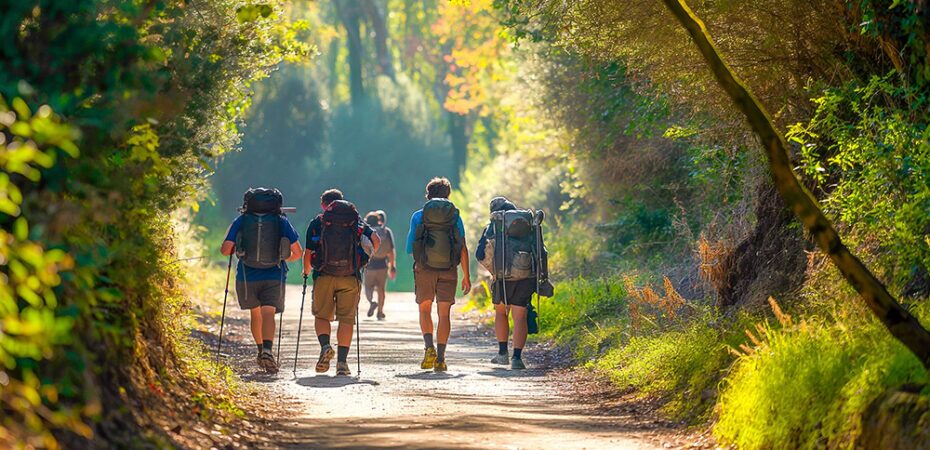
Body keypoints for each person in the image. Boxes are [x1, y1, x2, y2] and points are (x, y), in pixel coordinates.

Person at [220, 188, 302, 374]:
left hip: (247, 276)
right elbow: (297, 253)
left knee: (255, 315)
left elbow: (225, 250)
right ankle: (267, 350)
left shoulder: (241, 220)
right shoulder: (281, 221)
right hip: (274, 274)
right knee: (268, 314)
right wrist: (281, 258)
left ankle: (260, 351)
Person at [303, 189, 380, 376]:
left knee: (322, 316)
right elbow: (376, 240)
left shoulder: (318, 223)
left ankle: (325, 346)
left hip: (324, 275)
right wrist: (364, 259)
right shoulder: (356, 222)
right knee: (346, 319)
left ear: (324, 205)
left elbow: (308, 253)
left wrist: (306, 273)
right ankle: (342, 364)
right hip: (350, 276)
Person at [406, 177, 471, 372]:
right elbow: (463, 248)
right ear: (448, 195)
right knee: (444, 314)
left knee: (424, 309)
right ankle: (441, 358)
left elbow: (410, 247)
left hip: (424, 268)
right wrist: (466, 276)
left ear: (428, 195)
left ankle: (429, 348)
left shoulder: (419, 216)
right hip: (449, 269)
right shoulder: (455, 217)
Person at [476, 196, 545, 370]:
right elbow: (541, 250)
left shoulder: (493, 227)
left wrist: (492, 270)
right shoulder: (527, 226)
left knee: (501, 313)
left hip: (503, 277)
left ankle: (502, 354)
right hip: (526, 276)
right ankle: (517, 358)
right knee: (520, 315)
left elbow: (479, 254)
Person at [362, 211, 396, 320]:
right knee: (381, 289)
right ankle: (380, 312)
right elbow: (391, 251)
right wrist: (392, 266)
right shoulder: (386, 232)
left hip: (369, 265)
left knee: (368, 287)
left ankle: (372, 302)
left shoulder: (366, 232)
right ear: (379, 221)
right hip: (382, 265)